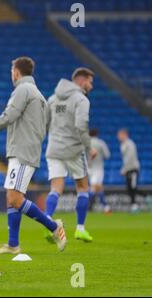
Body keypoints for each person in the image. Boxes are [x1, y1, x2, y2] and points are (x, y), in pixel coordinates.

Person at [0, 57, 67, 255]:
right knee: (11, 197)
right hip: (26, 150)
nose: (11, 75)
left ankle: (53, 226)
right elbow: (46, 126)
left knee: (16, 199)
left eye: (11, 71)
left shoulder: (23, 90)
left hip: (23, 152)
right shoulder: (39, 96)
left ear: (16, 72)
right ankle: (13, 244)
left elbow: (8, 116)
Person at [44, 67, 97, 243]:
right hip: (74, 149)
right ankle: (80, 229)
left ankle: (48, 222)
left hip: (54, 149)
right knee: (82, 187)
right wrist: (89, 147)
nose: (91, 86)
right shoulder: (81, 99)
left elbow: (45, 124)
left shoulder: (52, 99)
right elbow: (82, 126)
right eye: (90, 82)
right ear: (81, 81)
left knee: (55, 188)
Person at [117, 128, 146, 213]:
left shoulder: (130, 144)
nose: (118, 137)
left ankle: (135, 205)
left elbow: (130, 157)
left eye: (119, 135)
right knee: (129, 188)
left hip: (133, 169)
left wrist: (124, 169)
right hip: (128, 169)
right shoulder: (123, 145)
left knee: (133, 187)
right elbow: (125, 158)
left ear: (124, 135)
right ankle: (142, 199)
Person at [88, 129, 111, 214]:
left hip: (89, 168)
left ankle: (106, 207)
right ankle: (85, 206)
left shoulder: (86, 143)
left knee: (98, 188)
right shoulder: (101, 143)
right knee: (95, 188)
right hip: (98, 168)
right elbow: (107, 155)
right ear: (97, 134)